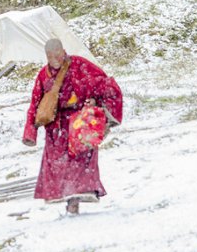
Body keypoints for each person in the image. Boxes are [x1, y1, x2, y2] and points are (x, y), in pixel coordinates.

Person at [23, 39, 123, 214]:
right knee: (59, 165)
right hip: (56, 128)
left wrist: (99, 106)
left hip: (80, 123)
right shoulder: (43, 75)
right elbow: (35, 103)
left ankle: (76, 197)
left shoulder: (80, 65)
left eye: (57, 55)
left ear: (63, 51)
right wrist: (30, 132)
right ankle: (68, 197)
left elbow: (105, 85)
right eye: (50, 56)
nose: (54, 59)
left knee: (80, 161)